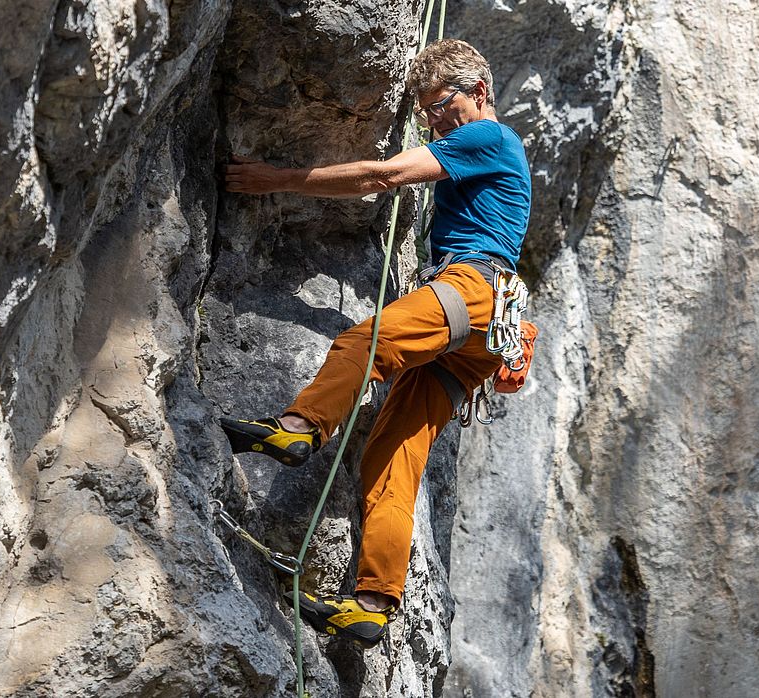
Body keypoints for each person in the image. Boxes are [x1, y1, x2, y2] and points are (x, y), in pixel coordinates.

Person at [220, 39, 531, 647]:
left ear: (480, 93)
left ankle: (300, 426)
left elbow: (383, 175)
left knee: (365, 344)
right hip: (485, 337)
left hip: (475, 291)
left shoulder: (489, 138)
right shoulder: (480, 146)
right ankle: (372, 604)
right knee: (391, 460)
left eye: (441, 105)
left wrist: (276, 181)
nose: (434, 122)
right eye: (424, 114)